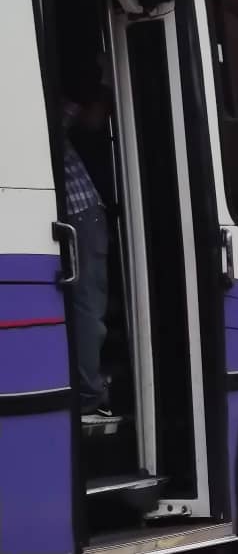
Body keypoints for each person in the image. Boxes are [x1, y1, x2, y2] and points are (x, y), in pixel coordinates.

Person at [62, 65, 112, 420]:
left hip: (82, 215)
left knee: (86, 308)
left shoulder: (44, 108)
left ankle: (92, 393)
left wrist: (105, 84)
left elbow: (91, 121)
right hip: (79, 216)